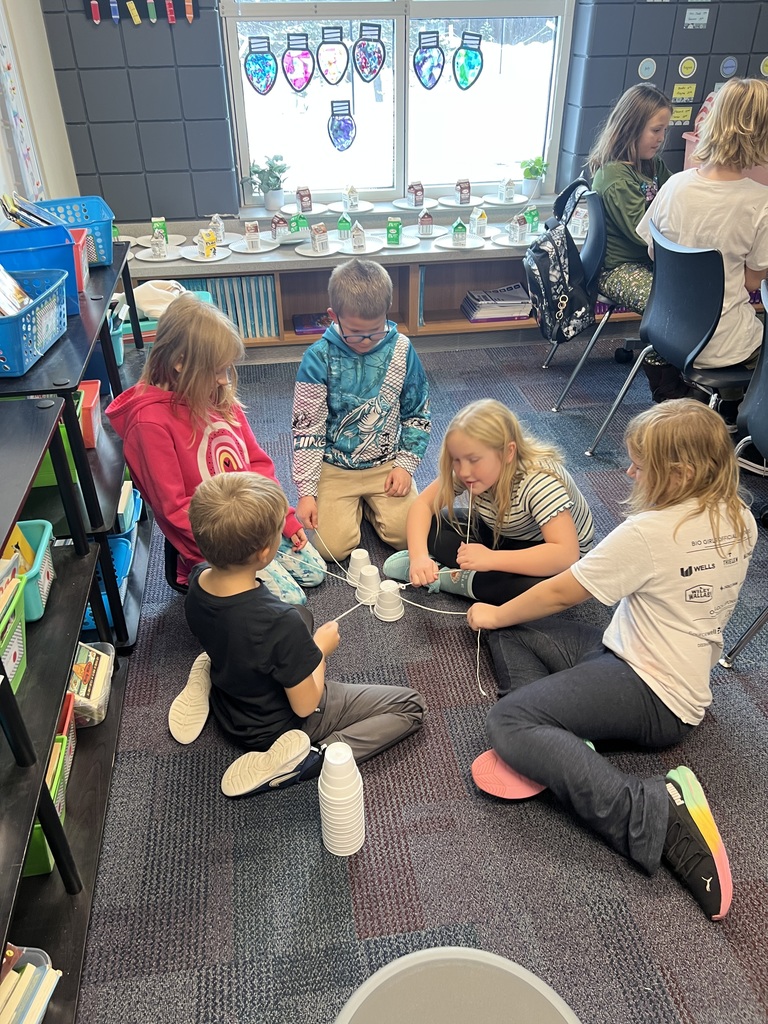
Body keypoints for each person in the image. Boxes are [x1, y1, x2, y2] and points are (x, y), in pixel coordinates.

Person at [467, 400, 756, 921]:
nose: (629, 472)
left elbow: (561, 593)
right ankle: (554, 739)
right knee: (513, 622)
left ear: (680, 473)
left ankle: (651, 815)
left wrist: (492, 616)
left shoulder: (649, 534)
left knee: (507, 718)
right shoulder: (739, 515)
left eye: (640, 465)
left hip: (652, 694)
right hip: (640, 661)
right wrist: (500, 616)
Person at [182, 472, 425, 796]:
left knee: (302, 614)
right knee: (411, 706)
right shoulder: (279, 623)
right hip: (279, 730)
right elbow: (305, 705)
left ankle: (211, 675)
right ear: (266, 552)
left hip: (232, 705)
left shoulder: (197, 580)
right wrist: (319, 650)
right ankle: (309, 758)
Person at [107, 293, 325, 603]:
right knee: (291, 603)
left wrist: (284, 519)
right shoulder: (149, 425)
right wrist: (239, 549)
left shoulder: (218, 396)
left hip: (253, 523)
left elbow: (257, 465)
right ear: (180, 363)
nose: (225, 380)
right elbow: (174, 510)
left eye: (227, 369)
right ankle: (207, 584)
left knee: (314, 572)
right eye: (216, 370)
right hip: (216, 545)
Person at [637, 77, 768, 469]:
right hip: (722, 344)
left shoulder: (674, 185)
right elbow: (751, 283)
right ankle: (755, 433)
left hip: (667, 330)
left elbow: (654, 252)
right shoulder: (759, 202)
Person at [383, 399, 594, 604]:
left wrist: (491, 559)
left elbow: (565, 554)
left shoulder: (540, 482)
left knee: (534, 592)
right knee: (434, 526)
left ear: (508, 452)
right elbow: (423, 505)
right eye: (456, 460)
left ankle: (450, 579)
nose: (464, 471)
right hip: (506, 531)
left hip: (548, 551)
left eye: (473, 460)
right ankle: (452, 571)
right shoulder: (470, 469)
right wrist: (419, 556)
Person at [292, 258, 431, 563]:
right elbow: (307, 429)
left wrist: (404, 466)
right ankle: (351, 504)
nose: (366, 342)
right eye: (356, 332)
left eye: (376, 331)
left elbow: (418, 413)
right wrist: (306, 491)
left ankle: (368, 504)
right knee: (329, 549)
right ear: (333, 316)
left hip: (385, 464)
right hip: (334, 467)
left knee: (414, 536)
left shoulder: (403, 349)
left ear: (387, 314)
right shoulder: (317, 358)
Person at [589, 84, 673, 316]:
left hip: (652, 262)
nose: (661, 138)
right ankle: (660, 352)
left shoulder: (653, 165)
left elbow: (678, 197)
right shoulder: (615, 177)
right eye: (656, 130)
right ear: (631, 128)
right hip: (620, 268)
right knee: (670, 308)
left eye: (665, 130)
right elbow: (641, 233)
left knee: (700, 294)